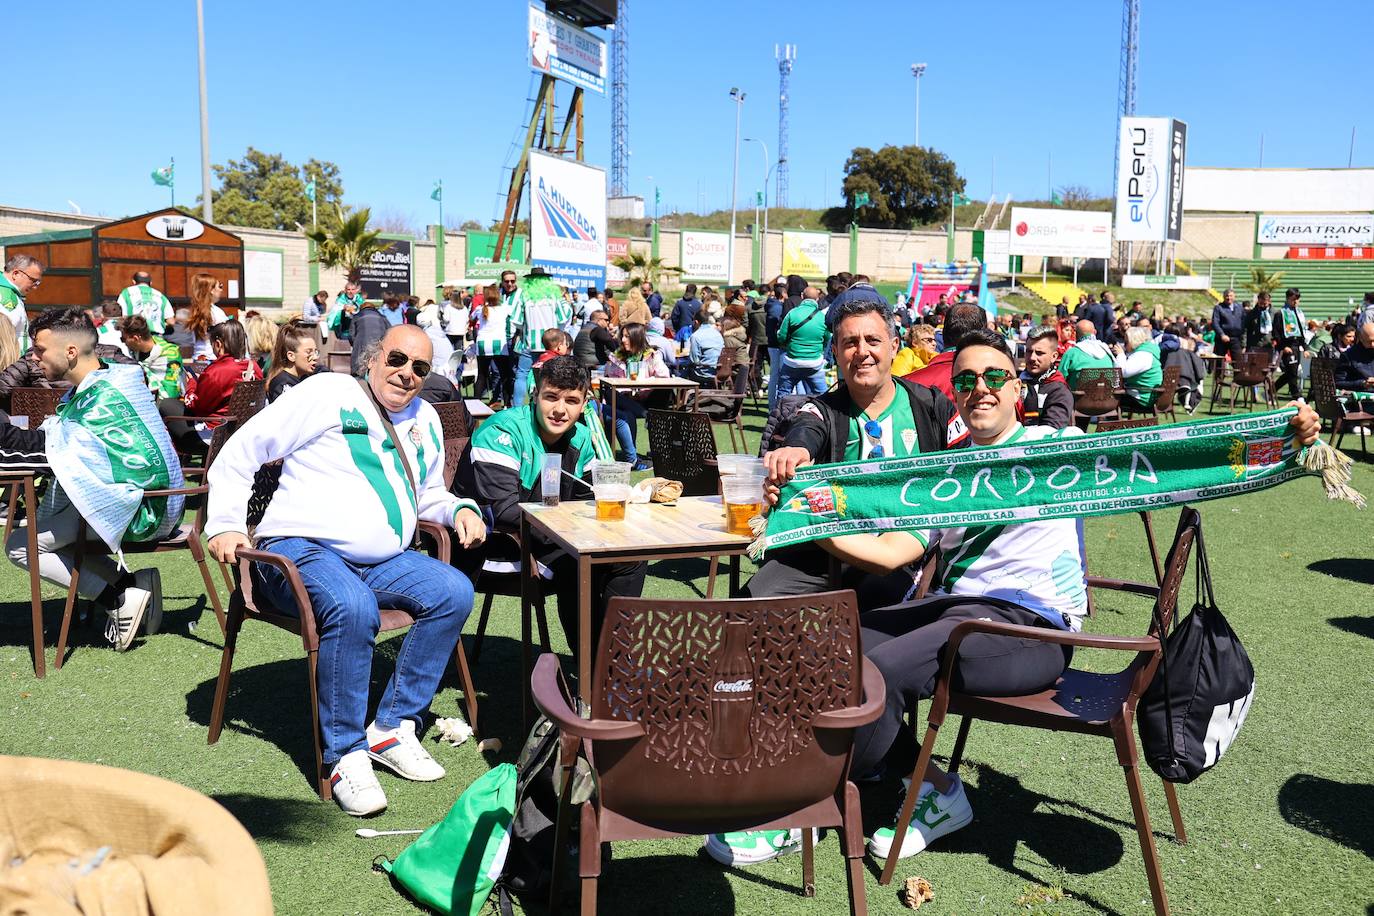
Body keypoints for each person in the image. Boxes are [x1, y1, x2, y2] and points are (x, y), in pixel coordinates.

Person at [712, 329, 1323, 868]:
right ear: (955, 395)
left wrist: (1283, 433)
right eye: (967, 380)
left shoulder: (1058, 448)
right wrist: (807, 522)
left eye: (995, 377)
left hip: (1030, 629)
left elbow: (1173, 453)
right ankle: (931, 788)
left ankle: (809, 808)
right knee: (836, 644)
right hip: (959, 615)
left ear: (1015, 393)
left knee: (875, 670)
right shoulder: (943, 473)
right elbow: (896, 551)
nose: (980, 388)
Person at [206, 324, 485, 816]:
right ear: (373, 358)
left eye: (420, 368)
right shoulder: (328, 392)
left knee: (454, 591)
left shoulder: (425, 419)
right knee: (352, 606)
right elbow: (240, 451)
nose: (406, 374)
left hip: (379, 561)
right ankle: (344, 755)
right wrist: (227, 523)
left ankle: (392, 729)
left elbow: (429, 496)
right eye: (397, 360)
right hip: (299, 550)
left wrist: (459, 508)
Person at [744, 298, 964, 605]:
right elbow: (807, 427)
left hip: (902, 552)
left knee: (868, 623)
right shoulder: (823, 409)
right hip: (823, 551)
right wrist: (794, 451)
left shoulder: (932, 406)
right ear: (835, 352)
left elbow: (967, 463)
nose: (862, 352)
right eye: (850, 343)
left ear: (894, 345)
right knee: (748, 606)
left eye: (873, 340)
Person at [5, 308, 184, 650]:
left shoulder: (102, 397)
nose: (33, 357)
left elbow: (54, 451)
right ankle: (132, 582)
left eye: (39, 349)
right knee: (51, 535)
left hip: (145, 509)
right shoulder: (111, 378)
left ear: (69, 351)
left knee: (19, 547)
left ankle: (118, 598)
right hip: (153, 496)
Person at [455, 355, 644, 659]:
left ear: (584, 404)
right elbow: (504, 511)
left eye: (571, 400)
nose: (560, 409)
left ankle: (613, 660)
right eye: (551, 397)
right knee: (580, 561)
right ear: (535, 395)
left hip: (549, 537)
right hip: (495, 547)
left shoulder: (581, 437)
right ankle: (598, 671)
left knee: (628, 555)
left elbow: (588, 499)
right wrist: (575, 527)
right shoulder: (502, 430)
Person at [162, 320, 262, 455]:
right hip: (243, 431)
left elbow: (198, 407)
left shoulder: (217, 371)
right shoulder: (254, 366)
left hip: (215, 435)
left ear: (218, 344)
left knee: (166, 404)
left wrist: (191, 385)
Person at [604, 322, 671, 470]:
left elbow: (665, 376)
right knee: (611, 393)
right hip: (623, 398)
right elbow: (610, 379)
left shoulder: (651, 355)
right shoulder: (617, 356)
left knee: (663, 391)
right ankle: (646, 415)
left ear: (637, 338)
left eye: (627, 336)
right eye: (622, 336)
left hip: (646, 399)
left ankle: (639, 455)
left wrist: (645, 382)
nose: (622, 340)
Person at [509, 269, 571, 408]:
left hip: (530, 343)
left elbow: (516, 321)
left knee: (522, 375)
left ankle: (517, 408)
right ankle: (549, 405)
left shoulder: (523, 295)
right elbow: (564, 316)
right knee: (552, 376)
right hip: (552, 344)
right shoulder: (553, 295)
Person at [904, 303, 988, 404]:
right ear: (984, 336)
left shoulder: (907, 385)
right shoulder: (997, 382)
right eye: (928, 340)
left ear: (943, 334)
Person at [775, 286, 830, 397]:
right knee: (823, 396)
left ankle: (782, 414)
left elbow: (781, 337)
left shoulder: (792, 313)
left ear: (802, 296)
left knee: (783, 394)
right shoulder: (822, 317)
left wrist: (788, 345)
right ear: (817, 299)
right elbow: (827, 338)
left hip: (792, 361)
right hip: (814, 363)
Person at [118, 315, 183, 400]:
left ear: (136, 338)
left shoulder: (170, 355)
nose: (123, 343)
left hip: (165, 404)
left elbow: (171, 393)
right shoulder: (133, 351)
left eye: (123, 339)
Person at [1019, 325, 1073, 428]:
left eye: (1039, 353)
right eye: (1029, 351)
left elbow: (1051, 430)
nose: (1032, 358)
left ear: (1054, 357)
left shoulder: (1059, 390)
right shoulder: (1016, 381)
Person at [474, 282, 515, 407]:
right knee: (505, 375)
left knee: (482, 375)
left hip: (482, 344)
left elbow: (472, 319)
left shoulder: (480, 309)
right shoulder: (504, 308)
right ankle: (507, 403)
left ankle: (475, 404)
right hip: (498, 344)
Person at [265, 319, 321, 402]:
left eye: (316, 352)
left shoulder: (305, 378)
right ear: (291, 356)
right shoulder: (283, 384)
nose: (315, 357)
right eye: (309, 352)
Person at [1114, 325, 1164, 411]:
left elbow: (1123, 372)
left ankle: (1110, 422)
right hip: (1146, 394)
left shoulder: (1143, 355)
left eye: (1126, 342)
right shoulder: (1147, 351)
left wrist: (1120, 354)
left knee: (1109, 397)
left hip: (1142, 398)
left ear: (1133, 341)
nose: (1125, 345)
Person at [185, 273, 230, 362]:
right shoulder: (216, 312)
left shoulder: (194, 311)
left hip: (198, 359)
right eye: (220, 286)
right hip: (213, 359)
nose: (221, 290)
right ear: (211, 290)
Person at [1057, 319, 1114, 390]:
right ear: (1095, 332)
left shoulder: (1071, 353)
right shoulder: (1107, 352)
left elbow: (1059, 379)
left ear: (1076, 334)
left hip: (1077, 399)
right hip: (1106, 398)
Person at [2, 254, 43, 349]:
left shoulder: (11, 292)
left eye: (38, 283)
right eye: (33, 280)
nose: (35, 287)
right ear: (16, 274)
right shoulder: (5, 296)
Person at [1273, 288, 1308, 399]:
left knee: (1291, 372)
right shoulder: (1281, 313)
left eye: (1298, 299)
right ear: (1288, 298)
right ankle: (1297, 395)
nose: (1296, 302)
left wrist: (1305, 347)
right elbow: (1276, 332)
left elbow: (1301, 331)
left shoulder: (1298, 313)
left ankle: (1270, 390)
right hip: (1287, 345)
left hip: (1297, 345)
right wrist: (1283, 346)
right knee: (1292, 371)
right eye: (1294, 299)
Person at [117, 271, 174, 336]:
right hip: (156, 337)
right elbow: (171, 321)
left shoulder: (126, 293)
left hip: (135, 335)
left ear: (134, 281)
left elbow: (121, 316)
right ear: (151, 282)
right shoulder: (161, 296)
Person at [348, 293, 390, 377]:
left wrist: (355, 343)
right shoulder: (382, 317)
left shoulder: (357, 316)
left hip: (361, 345)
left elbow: (351, 335)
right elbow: (389, 331)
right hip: (378, 344)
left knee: (359, 369)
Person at [686, 311, 725, 385]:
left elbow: (694, 360)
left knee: (683, 371)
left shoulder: (695, 336)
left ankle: (681, 395)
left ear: (696, 322)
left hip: (702, 372)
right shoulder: (717, 334)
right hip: (719, 370)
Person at [1334, 322, 1374, 392]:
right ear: (1361, 338)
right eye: (1369, 341)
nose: (1373, 344)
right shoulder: (1348, 356)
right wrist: (1362, 383)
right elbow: (1338, 383)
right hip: (1364, 397)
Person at [1210, 289, 1245, 363]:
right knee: (1219, 362)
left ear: (1234, 296)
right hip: (1222, 338)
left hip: (1236, 339)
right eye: (1227, 296)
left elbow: (1243, 321)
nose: (1229, 298)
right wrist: (1222, 334)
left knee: (1238, 362)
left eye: (1231, 296)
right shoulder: (1218, 308)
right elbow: (1215, 323)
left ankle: (1237, 375)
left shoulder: (1240, 307)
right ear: (1223, 297)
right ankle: (1219, 374)